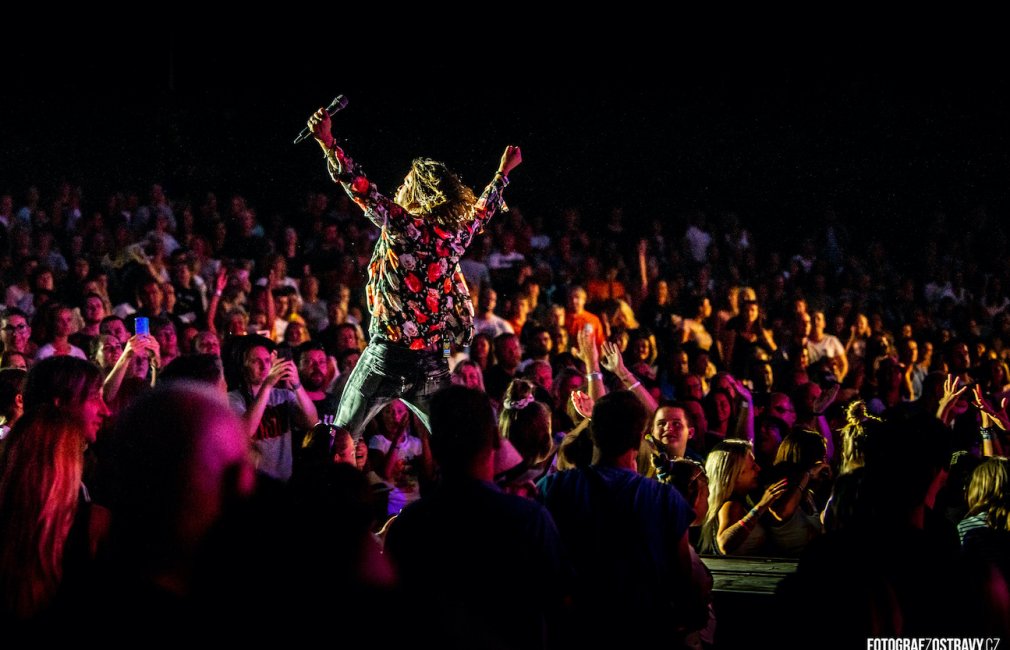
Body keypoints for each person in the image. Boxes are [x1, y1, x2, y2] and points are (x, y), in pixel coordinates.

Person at [306, 106, 521, 439]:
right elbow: (482, 213)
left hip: (387, 356)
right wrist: (502, 174)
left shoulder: (404, 225)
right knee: (454, 443)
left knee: (342, 436)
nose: (401, 187)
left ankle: (333, 487)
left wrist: (327, 141)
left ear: (417, 191)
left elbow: (361, 187)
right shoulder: (455, 235)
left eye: (407, 182)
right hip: (432, 361)